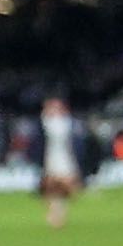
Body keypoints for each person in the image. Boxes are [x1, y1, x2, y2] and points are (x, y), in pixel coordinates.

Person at [36, 92, 83, 228]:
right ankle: (54, 213)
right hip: (50, 157)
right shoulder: (45, 123)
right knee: (51, 187)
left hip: (66, 157)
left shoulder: (68, 123)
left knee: (68, 187)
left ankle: (58, 212)